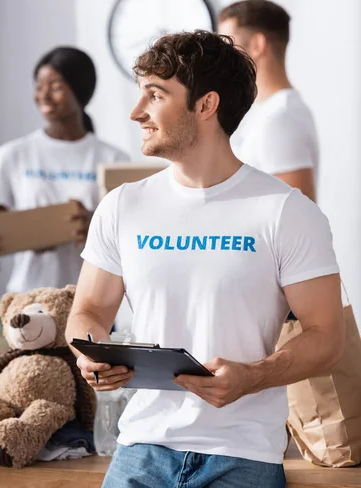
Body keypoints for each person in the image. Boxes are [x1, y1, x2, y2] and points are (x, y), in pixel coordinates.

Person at [66, 31, 344, 488]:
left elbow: (328, 337)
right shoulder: (122, 206)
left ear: (205, 104)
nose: (137, 113)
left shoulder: (286, 211)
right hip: (141, 448)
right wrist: (90, 352)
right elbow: (90, 309)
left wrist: (252, 377)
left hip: (243, 454)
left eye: (156, 95)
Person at [0, 46, 129, 293]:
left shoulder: (114, 158)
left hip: (91, 296)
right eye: (39, 87)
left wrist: (96, 225)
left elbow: (128, 233)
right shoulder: (10, 155)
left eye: (56, 86)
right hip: (27, 296)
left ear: (80, 91)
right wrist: (30, 233)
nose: (44, 96)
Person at [218, 0, 318, 201]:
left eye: (229, 43)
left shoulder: (282, 119)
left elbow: (297, 219)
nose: (223, 55)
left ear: (257, 44)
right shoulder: (262, 111)